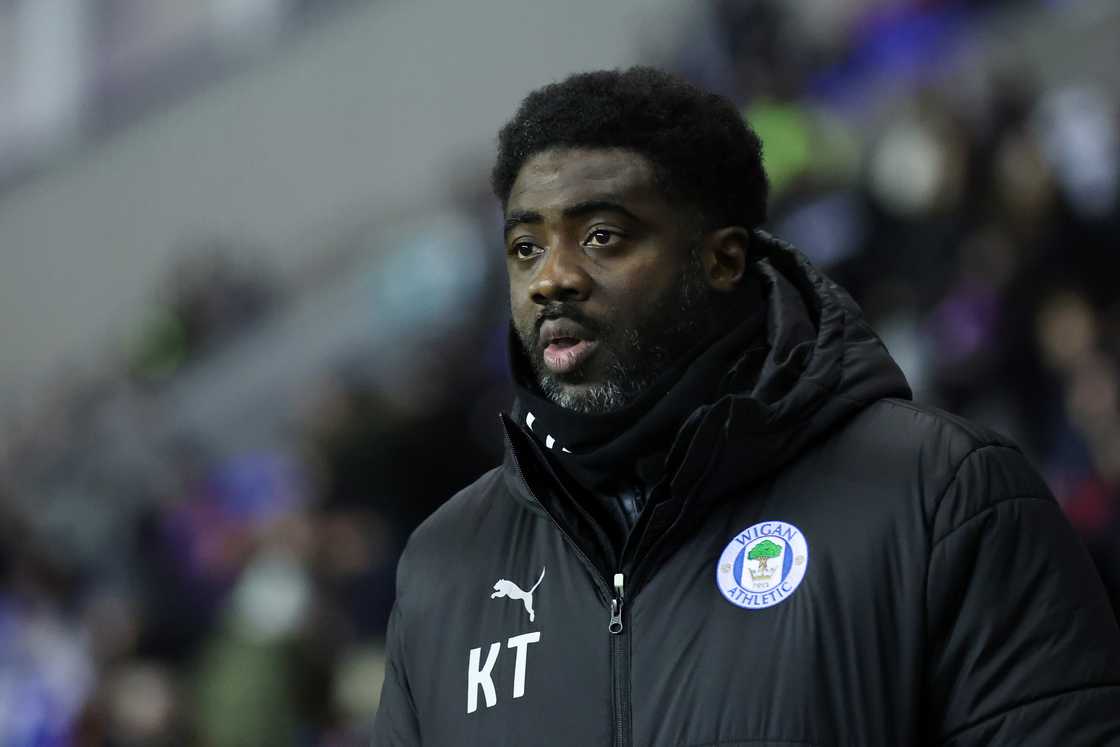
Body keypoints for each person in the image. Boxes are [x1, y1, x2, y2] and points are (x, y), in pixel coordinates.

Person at [372, 67, 1120, 746]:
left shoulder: (940, 492)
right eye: (526, 248)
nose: (552, 279)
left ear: (723, 259)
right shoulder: (445, 572)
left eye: (601, 236)